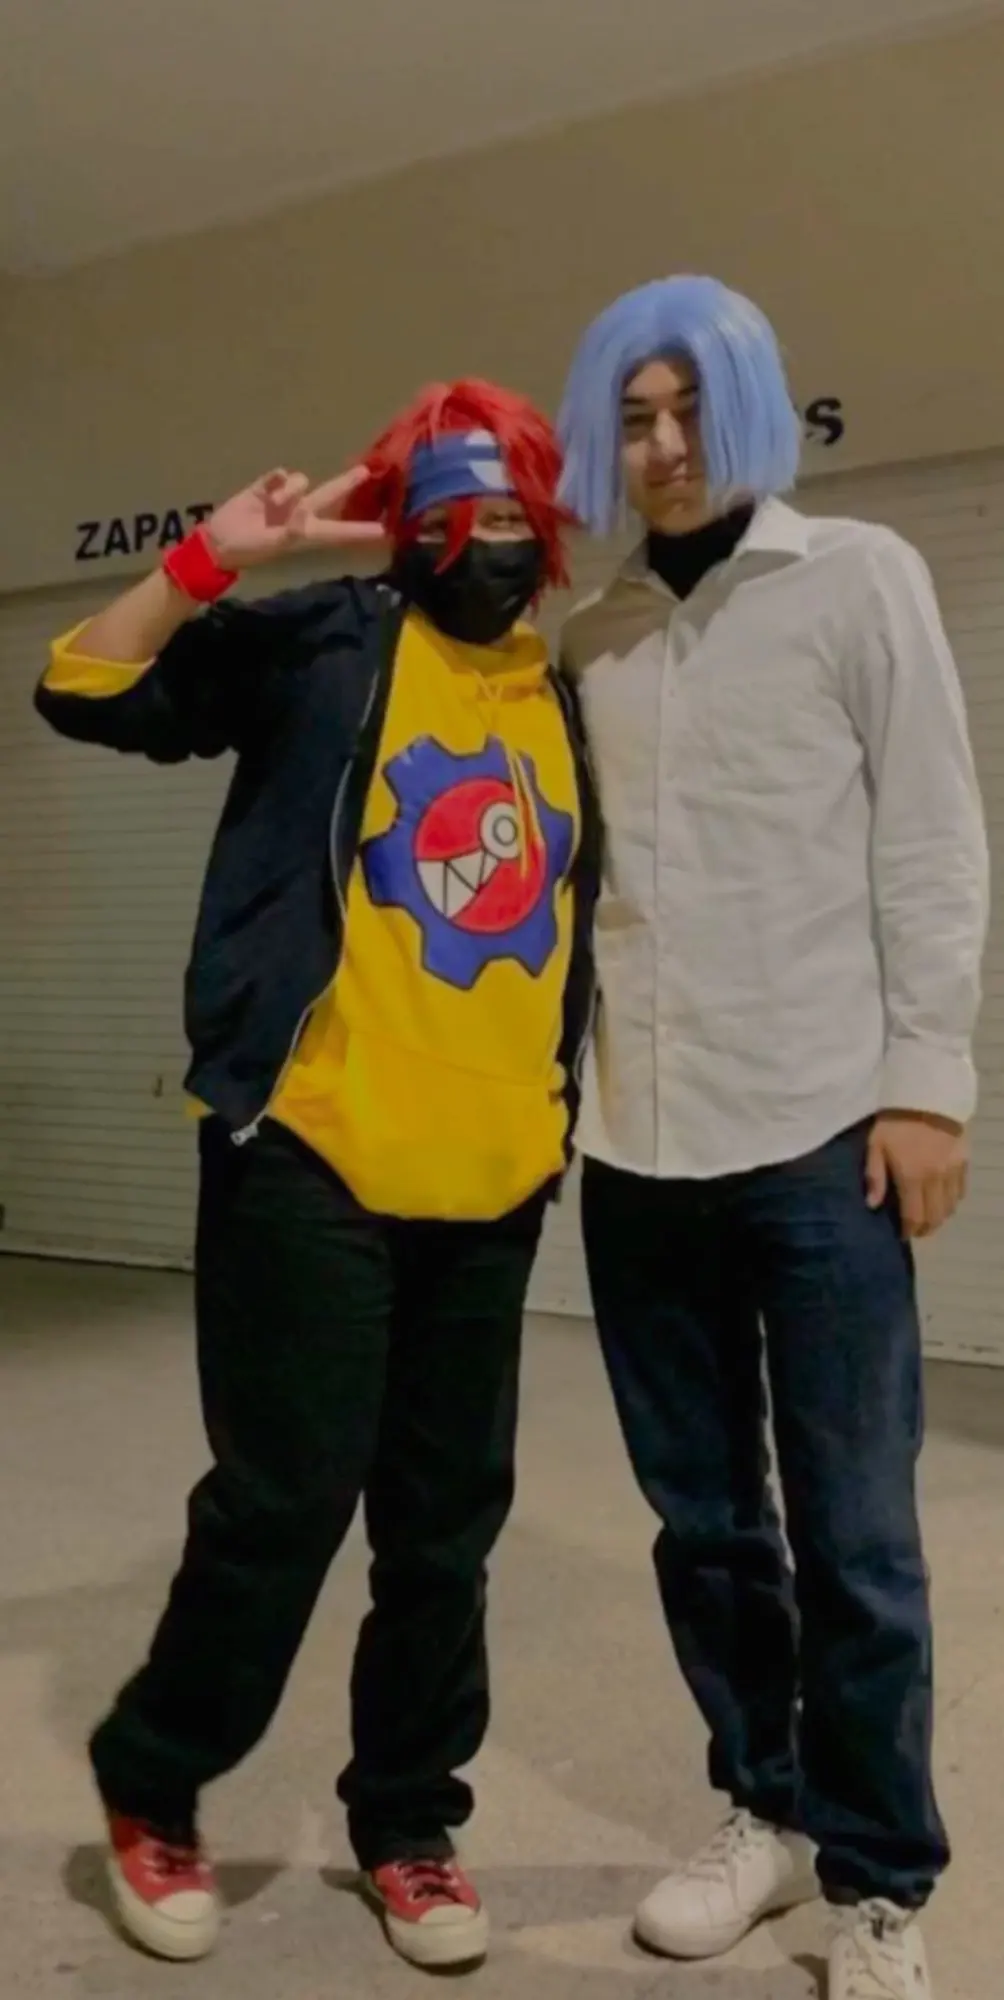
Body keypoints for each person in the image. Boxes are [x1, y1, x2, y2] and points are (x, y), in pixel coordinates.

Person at [34, 380, 597, 1972]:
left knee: (445, 1532)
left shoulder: (560, 695)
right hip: (315, 1155)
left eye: (513, 517)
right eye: (455, 516)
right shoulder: (331, 645)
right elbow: (81, 688)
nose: (486, 545)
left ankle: (408, 1822)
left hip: (493, 1174)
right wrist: (214, 557)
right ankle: (154, 1780)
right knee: (284, 1505)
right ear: (408, 528)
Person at [556, 275, 989, 2000]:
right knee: (706, 1524)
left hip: (822, 1133)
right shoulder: (590, 636)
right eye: (632, 419)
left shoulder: (860, 579)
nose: (663, 446)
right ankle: (766, 1806)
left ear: (748, 409)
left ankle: (881, 1883)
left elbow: (931, 838)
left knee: (857, 1533)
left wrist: (928, 1083)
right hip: (637, 1143)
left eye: (687, 410)